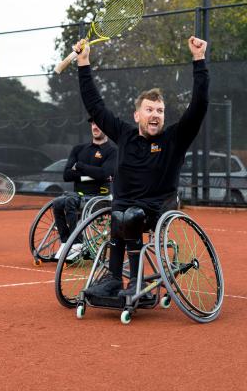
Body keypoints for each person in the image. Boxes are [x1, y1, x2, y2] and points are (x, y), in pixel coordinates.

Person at [74, 35, 209, 298]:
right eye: (149, 110)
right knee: (118, 213)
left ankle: (136, 283)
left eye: (159, 111)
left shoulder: (175, 138)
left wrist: (199, 60)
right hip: (123, 207)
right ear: (138, 115)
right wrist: (83, 62)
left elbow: (199, 105)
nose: (155, 115)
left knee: (130, 215)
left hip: (157, 206)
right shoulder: (125, 134)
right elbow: (95, 104)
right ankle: (113, 279)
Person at [53, 118, 116, 258]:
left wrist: (80, 166)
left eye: (98, 123)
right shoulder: (79, 149)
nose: (95, 126)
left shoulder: (112, 152)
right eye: (93, 123)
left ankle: (77, 244)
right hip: (78, 195)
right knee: (57, 203)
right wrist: (91, 174)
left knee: (70, 201)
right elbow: (67, 175)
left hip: (100, 198)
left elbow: (104, 173)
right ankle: (66, 242)